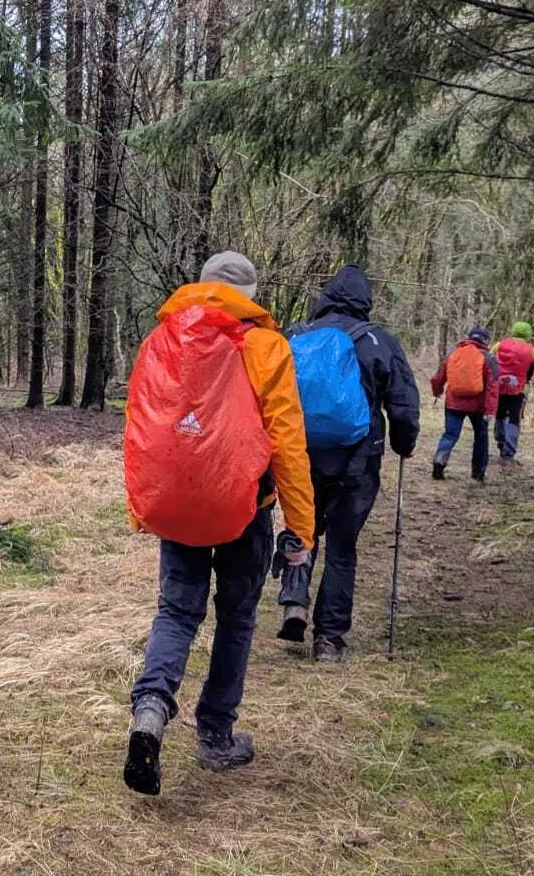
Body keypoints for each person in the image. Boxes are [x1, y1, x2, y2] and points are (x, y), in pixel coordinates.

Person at [122, 251, 315, 795]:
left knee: (176, 613)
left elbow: (142, 426)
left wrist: (145, 504)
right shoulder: (264, 345)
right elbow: (287, 442)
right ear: (249, 295)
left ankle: (151, 713)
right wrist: (301, 526)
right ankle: (215, 736)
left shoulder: (162, 339)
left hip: (177, 507)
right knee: (236, 619)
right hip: (243, 509)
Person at [281, 266, 421, 661]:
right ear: (365, 302)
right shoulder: (380, 341)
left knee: (302, 528)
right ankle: (329, 639)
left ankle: (295, 601)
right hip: (357, 464)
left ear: (325, 296)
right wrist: (403, 444)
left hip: (300, 456)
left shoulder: (295, 335)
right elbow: (404, 405)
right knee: (342, 547)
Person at [430, 327, 500, 482]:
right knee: (481, 438)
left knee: (450, 434)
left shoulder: (453, 354)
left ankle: (440, 460)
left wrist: (437, 392)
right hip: (478, 407)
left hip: (453, 403)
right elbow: (493, 387)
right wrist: (490, 411)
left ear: (469, 338)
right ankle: (478, 473)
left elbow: (437, 378)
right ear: (485, 341)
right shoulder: (489, 358)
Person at [492, 321, 534, 469]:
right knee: (514, 420)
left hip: (498, 387)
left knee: (499, 416)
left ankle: (501, 444)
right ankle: (508, 455)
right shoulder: (532, 351)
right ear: (528, 334)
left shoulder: (499, 345)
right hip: (519, 390)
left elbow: (487, 361)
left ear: (513, 331)